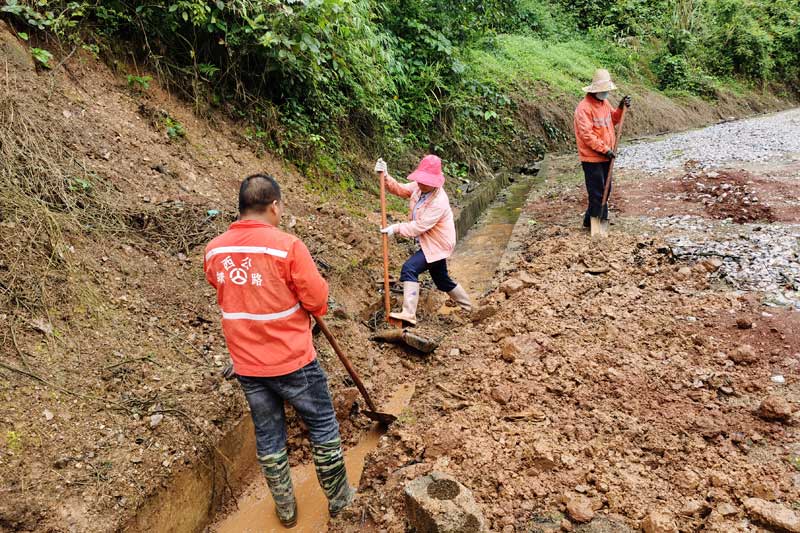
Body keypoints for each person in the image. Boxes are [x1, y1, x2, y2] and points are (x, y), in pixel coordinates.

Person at [204, 174, 354, 527]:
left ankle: (286, 511)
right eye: (280, 208)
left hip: (248, 366)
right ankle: (340, 500)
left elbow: (223, 286)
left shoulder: (215, 250)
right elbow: (317, 301)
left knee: (269, 435)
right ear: (274, 207)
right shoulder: (287, 247)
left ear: (242, 208)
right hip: (293, 362)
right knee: (321, 424)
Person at [374, 155, 472, 325]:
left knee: (409, 269)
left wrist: (395, 228)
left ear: (435, 182)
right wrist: (386, 175)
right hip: (430, 241)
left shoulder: (439, 202)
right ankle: (469, 308)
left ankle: (409, 313)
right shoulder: (419, 188)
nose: (419, 183)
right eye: (419, 179)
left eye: (424, 181)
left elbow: (419, 227)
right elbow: (400, 189)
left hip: (438, 243)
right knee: (441, 280)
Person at [573, 68, 632, 228]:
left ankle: (589, 221)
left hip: (606, 155)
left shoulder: (604, 103)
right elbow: (587, 135)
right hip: (592, 158)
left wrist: (620, 108)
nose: (605, 93)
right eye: (603, 90)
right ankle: (598, 226)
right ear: (595, 90)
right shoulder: (583, 108)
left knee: (606, 188)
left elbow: (613, 119)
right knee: (598, 192)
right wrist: (605, 149)